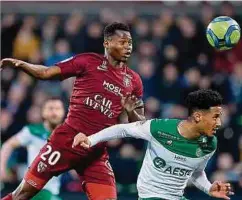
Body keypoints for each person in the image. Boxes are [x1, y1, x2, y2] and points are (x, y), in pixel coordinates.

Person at [1, 22, 145, 200]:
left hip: (96, 151)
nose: (128, 47)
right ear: (107, 43)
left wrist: (132, 112)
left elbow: (139, 125)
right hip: (65, 142)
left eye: (130, 43)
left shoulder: (134, 81)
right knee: (21, 195)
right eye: (122, 42)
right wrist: (20, 64)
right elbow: (46, 73)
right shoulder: (87, 61)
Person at [72, 89, 234, 200]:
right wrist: (91, 139)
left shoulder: (209, 144)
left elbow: (197, 173)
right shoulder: (159, 128)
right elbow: (123, 129)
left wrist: (209, 188)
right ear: (198, 117)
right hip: (151, 196)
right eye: (215, 117)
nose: (219, 123)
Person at [1, 98, 65, 200]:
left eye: (58, 109)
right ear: (43, 112)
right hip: (35, 189)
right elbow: (8, 145)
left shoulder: (67, 136)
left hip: (53, 191)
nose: (54, 112)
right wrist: (2, 167)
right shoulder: (33, 131)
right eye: (50, 108)